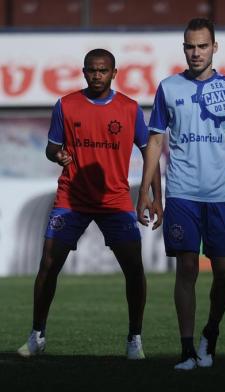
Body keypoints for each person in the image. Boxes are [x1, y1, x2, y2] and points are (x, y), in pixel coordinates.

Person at [17, 48, 162, 359]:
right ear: (84, 72)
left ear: (114, 73)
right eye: (92, 70)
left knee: (134, 270)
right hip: (73, 198)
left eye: (103, 70)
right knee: (48, 265)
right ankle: (37, 334)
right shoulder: (66, 106)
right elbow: (51, 147)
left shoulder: (129, 108)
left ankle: (134, 338)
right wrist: (57, 155)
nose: (97, 75)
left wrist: (153, 195)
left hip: (115, 200)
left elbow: (150, 152)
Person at [137, 18, 225, 370]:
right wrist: (146, 189)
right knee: (187, 268)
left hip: (220, 196)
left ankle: (211, 331)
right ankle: (188, 349)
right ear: (184, 48)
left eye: (202, 46)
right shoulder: (168, 87)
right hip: (181, 193)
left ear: (214, 48)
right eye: (190, 46)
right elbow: (156, 139)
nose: (195, 52)